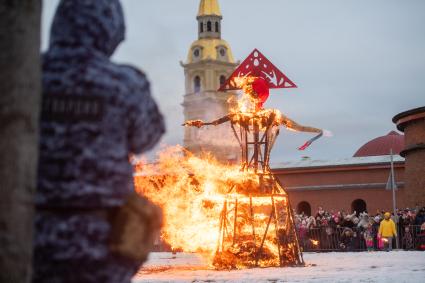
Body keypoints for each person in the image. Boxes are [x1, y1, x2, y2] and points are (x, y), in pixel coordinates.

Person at [33, 0, 165, 282]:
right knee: (148, 214)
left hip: (27, 233)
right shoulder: (123, 83)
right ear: (109, 30)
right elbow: (148, 137)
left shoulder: (25, 76)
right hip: (102, 242)